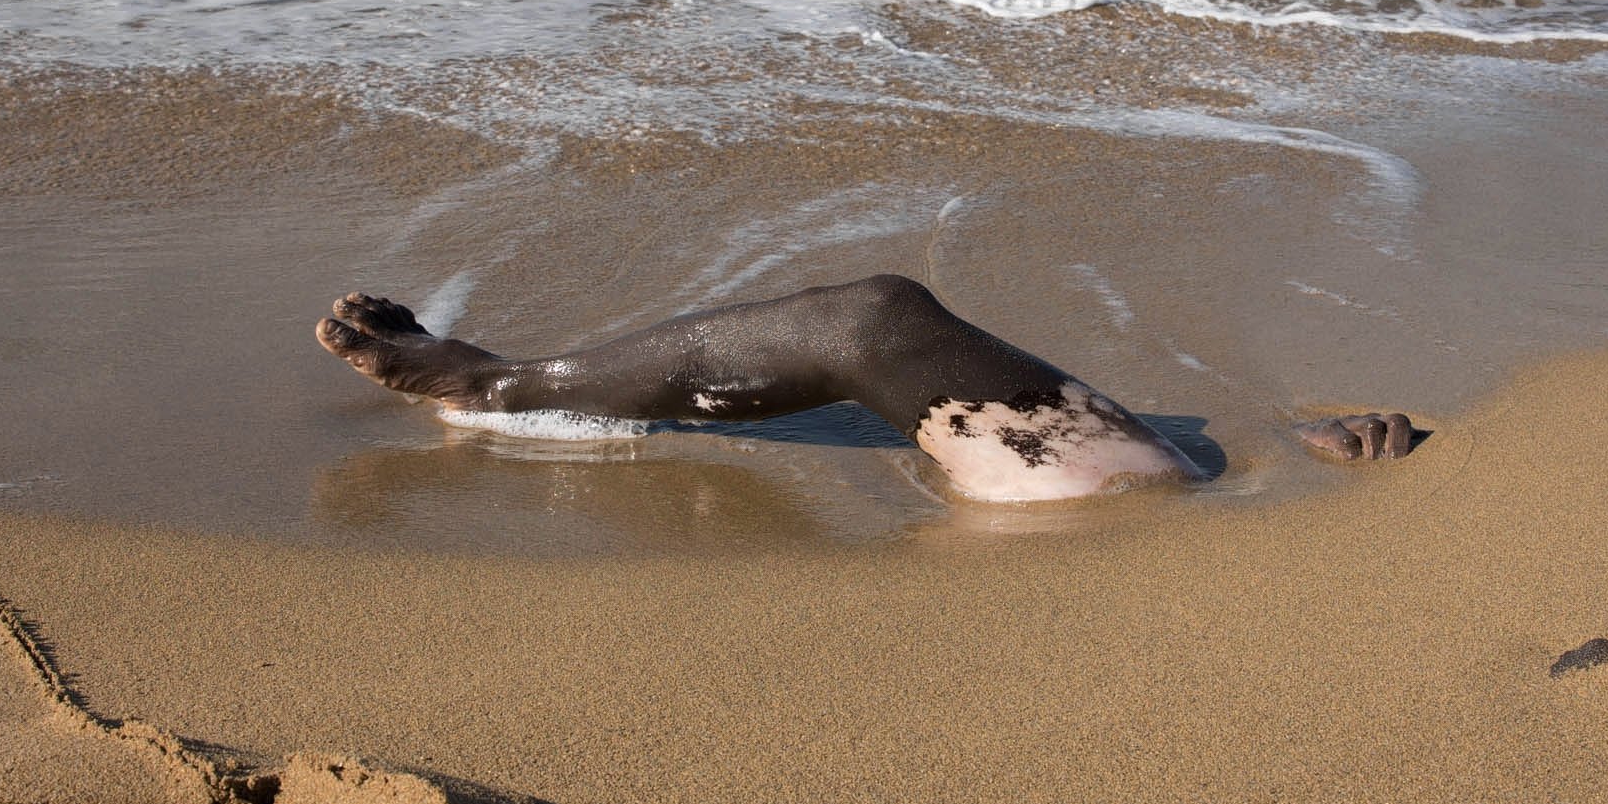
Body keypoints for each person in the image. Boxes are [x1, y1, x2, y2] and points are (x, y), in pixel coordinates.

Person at [315, 273, 1413, 504]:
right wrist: (1292, 459)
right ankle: (500, 386)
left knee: (874, 326)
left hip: (1138, 510)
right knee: (873, 334)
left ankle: (498, 388)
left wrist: (1294, 468)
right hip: (1141, 509)